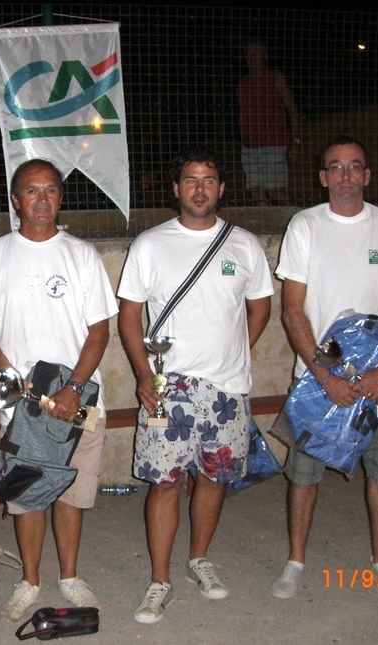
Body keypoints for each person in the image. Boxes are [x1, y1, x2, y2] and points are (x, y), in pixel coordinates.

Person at [117, 148, 273, 624]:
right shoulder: (149, 244)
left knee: (213, 478)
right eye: (190, 180)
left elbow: (261, 306)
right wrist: (145, 375)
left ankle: (199, 559)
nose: (199, 188)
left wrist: (234, 352)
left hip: (226, 388)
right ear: (175, 188)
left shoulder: (244, 244)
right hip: (167, 389)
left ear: (222, 189)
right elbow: (128, 316)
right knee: (164, 485)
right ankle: (159, 579)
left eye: (208, 180)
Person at [271, 135, 378, 600]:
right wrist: (325, 377)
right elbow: (293, 311)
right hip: (320, 382)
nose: (345, 175)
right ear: (322, 178)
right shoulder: (304, 226)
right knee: (303, 476)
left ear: (367, 175)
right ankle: (295, 562)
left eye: (354, 166)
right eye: (335, 167)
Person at [0, 159, 117, 623]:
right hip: (20, 405)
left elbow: (99, 330)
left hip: (80, 402)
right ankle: (30, 579)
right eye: (32, 191)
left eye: (51, 190)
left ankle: (69, 575)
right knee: (26, 492)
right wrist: (8, 370)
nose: (42, 199)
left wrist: (73, 388)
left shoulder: (82, 255)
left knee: (72, 490)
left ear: (61, 197)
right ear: (15, 199)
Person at [236, 39, 301, 206]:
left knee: (275, 190)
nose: (252, 58)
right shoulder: (242, 84)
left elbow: (292, 108)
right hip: (249, 147)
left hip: (274, 144)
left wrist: (295, 141)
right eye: (249, 54)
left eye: (256, 53)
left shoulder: (275, 77)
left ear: (264, 56)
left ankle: (295, 222)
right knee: (257, 192)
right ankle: (264, 231)